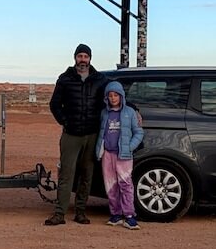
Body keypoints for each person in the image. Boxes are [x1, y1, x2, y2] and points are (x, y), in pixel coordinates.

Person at [45, 43, 108, 225]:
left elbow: (115, 95)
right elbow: (54, 104)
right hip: (71, 135)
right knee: (66, 173)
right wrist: (65, 121)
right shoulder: (65, 79)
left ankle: (80, 212)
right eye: (80, 56)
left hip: (91, 134)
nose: (83, 60)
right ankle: (59, 213)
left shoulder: (99, 79)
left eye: (86, 56)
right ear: (75, 58)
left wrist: (133, 108)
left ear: (90, 59)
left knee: (86, 174)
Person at [96, 81, 144, 229]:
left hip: (123, 155)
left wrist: (130, 147)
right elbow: (101, 132)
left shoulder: (129, 113)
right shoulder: (105, 113)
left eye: (116, 95)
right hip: (108, 155)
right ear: (107, 98)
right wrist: (99, 150)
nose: (113, 98)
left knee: (126, 184)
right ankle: (115, 214)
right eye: (110, 95)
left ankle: (129, 215)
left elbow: (139, 132)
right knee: (110, 185)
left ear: (121, 96)